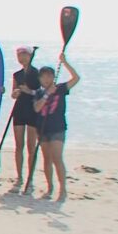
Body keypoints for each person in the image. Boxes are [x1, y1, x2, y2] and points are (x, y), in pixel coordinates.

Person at [33, 54, 80, 202]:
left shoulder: (60, 88)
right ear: (40, 79)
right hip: (42, 129)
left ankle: (63, 189)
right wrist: (47, 94)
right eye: (43, 77)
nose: (46, 79)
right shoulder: (39, 92)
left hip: (58, 128)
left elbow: (76, 78)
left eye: (49, 76)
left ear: (53, 77)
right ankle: (50, 188)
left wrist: (65, 62)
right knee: (47, 159)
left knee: (57, 158)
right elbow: (37, 108)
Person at [11, 45, 41, 186]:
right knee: (19, 146)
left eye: (24, 55)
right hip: (19, 110)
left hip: (33, 111)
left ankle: (30, 176)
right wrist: (16, 93)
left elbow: (42, 93)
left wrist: (30, 91)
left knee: (31, 146)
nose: (22, 58)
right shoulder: (17, 75)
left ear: (30, 56)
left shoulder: (37, 73)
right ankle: (19, 176)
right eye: (19, 55)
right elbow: (13, 94)